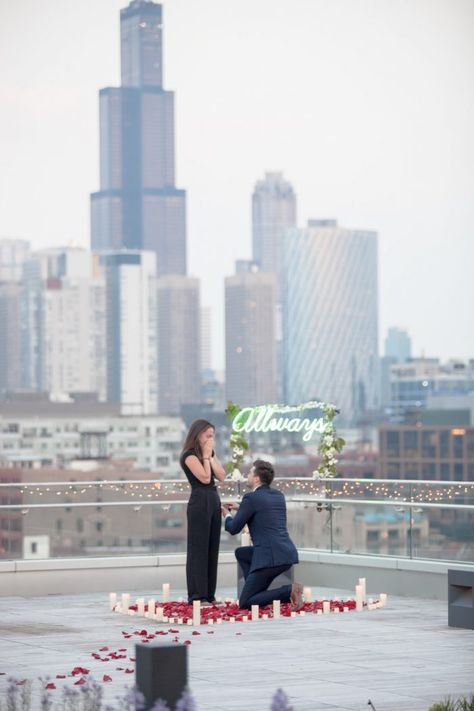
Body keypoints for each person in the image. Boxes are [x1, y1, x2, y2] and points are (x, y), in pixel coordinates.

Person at [222, 459, 304, 611]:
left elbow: (233, 528)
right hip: (286, 553)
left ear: (256, 478)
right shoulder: (278, 495)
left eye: (250, 473)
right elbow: (264, 514)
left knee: (245, 602)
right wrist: (242, 508)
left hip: (269, 557)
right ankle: (254, 589)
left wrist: (227, 515)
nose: (247, 475)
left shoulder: (251, 498)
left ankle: (289, 591)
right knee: (242, 553)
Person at [180, 419, 226, 604]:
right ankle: (197, 595)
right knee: (198, 549)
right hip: (199, 501)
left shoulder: (210, 453)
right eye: (208, 435)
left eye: (212, 436)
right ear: (198, 435)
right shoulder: (189, 456)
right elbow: (205, 478)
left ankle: (209, 594)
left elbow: (221, 476)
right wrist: (206, 458)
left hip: (214, 499)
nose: (210, 439)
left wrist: (210, 456)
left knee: (211, 548)